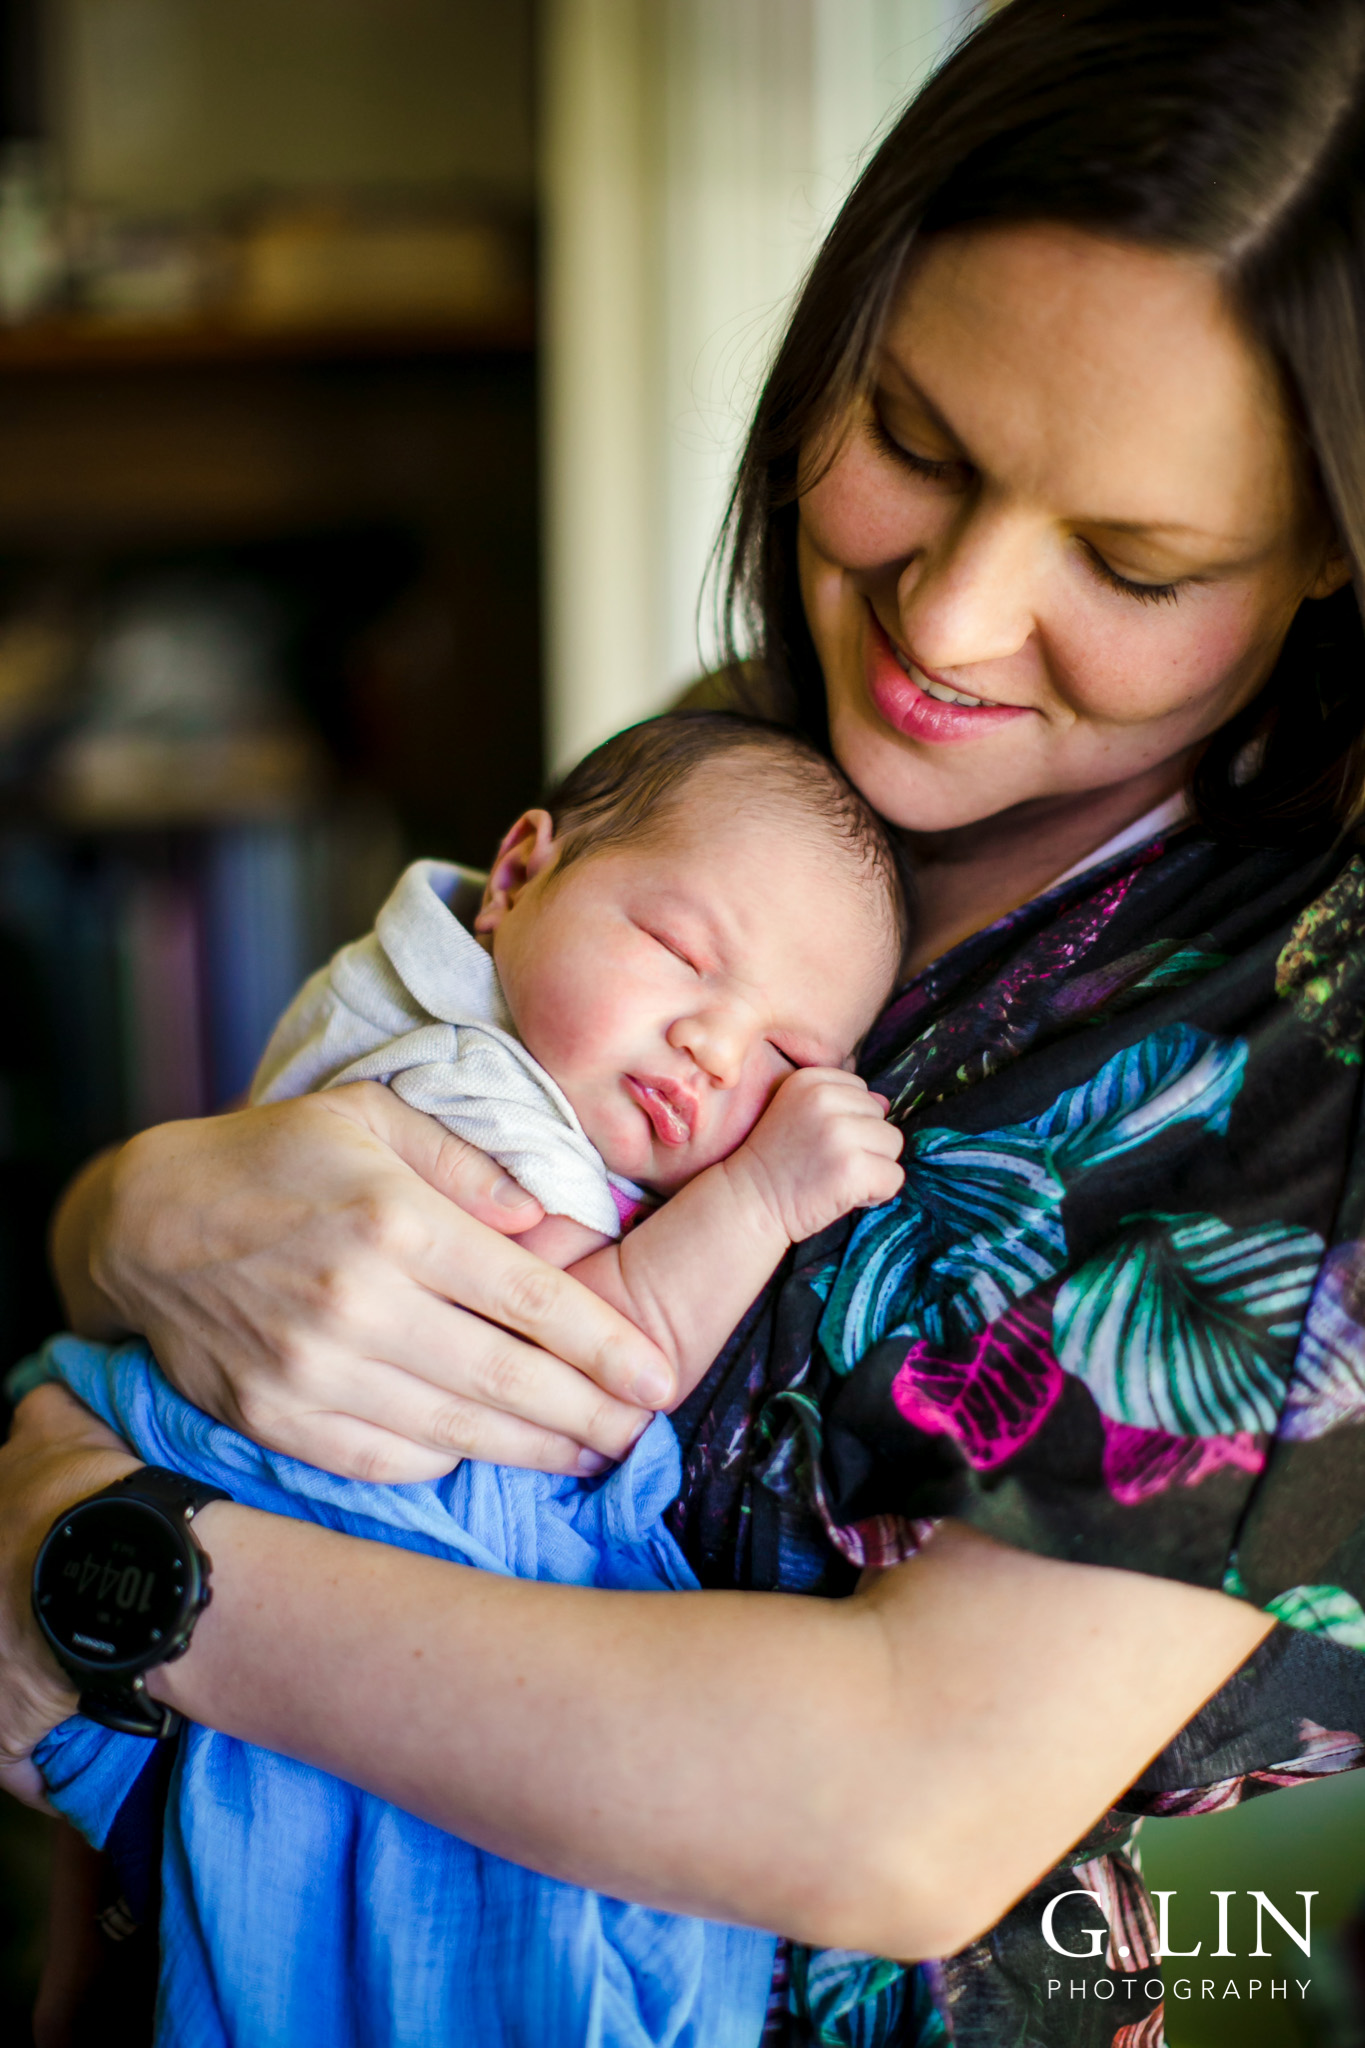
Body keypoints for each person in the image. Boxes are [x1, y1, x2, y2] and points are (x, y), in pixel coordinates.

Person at [6, 1, 1365, 2042]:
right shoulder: (740, 774)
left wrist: (100, 1569)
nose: (948, 619)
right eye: (913, 441)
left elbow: (889, 1806)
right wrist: (132, 1211)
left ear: (1329, 564)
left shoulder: (1306, 1034)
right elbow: (344, 1146)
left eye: (1122, 556)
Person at [17, 713, 908, 2047]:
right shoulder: (473, 1089)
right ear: (513, 878)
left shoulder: (466, 1017)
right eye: (676, 950)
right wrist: (764, 1195)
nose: (716, 1049)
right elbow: (579, 1372)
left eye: (788, 1058)